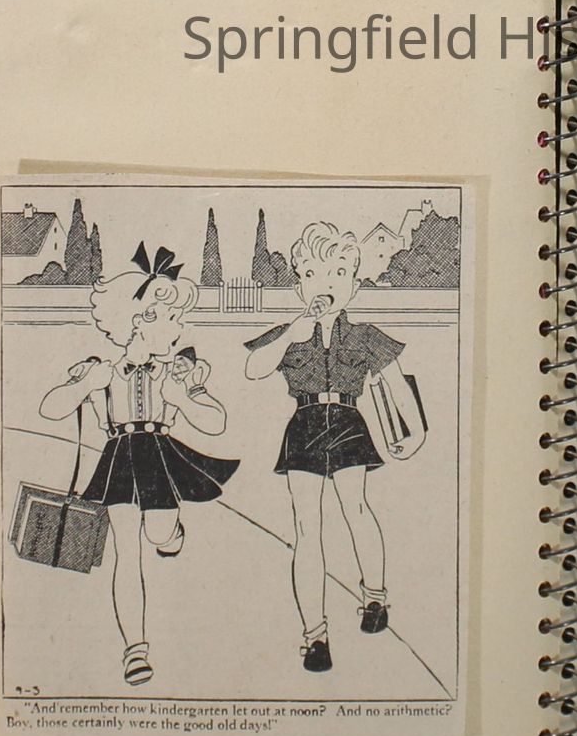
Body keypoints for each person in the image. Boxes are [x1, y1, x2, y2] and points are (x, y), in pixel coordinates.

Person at [41, 244, 235, 687]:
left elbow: (216, 421)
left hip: (159, 457)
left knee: (159, 531)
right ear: (140, 320)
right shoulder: (102, 371)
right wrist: (83, 386)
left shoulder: (176, 373)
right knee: (126, 551)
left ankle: (171, 536)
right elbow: (50, 408)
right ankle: (135, 650)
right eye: (171, 318)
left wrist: (182, 397)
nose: (179, 327)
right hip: (119, 458)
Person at [244, 222, 404, 673]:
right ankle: (315, 635)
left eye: (337, 273)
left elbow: (396, 381)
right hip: (305, 422)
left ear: (354, 283)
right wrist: (289, 335)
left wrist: (415, 434)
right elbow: (254, 368)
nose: (325, 284)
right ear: (300, 283)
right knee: (306, 526)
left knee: (357, 509)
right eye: (313, 274)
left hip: (350, 421)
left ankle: (375, 597)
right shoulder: (290, 332)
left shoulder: (365, 334)